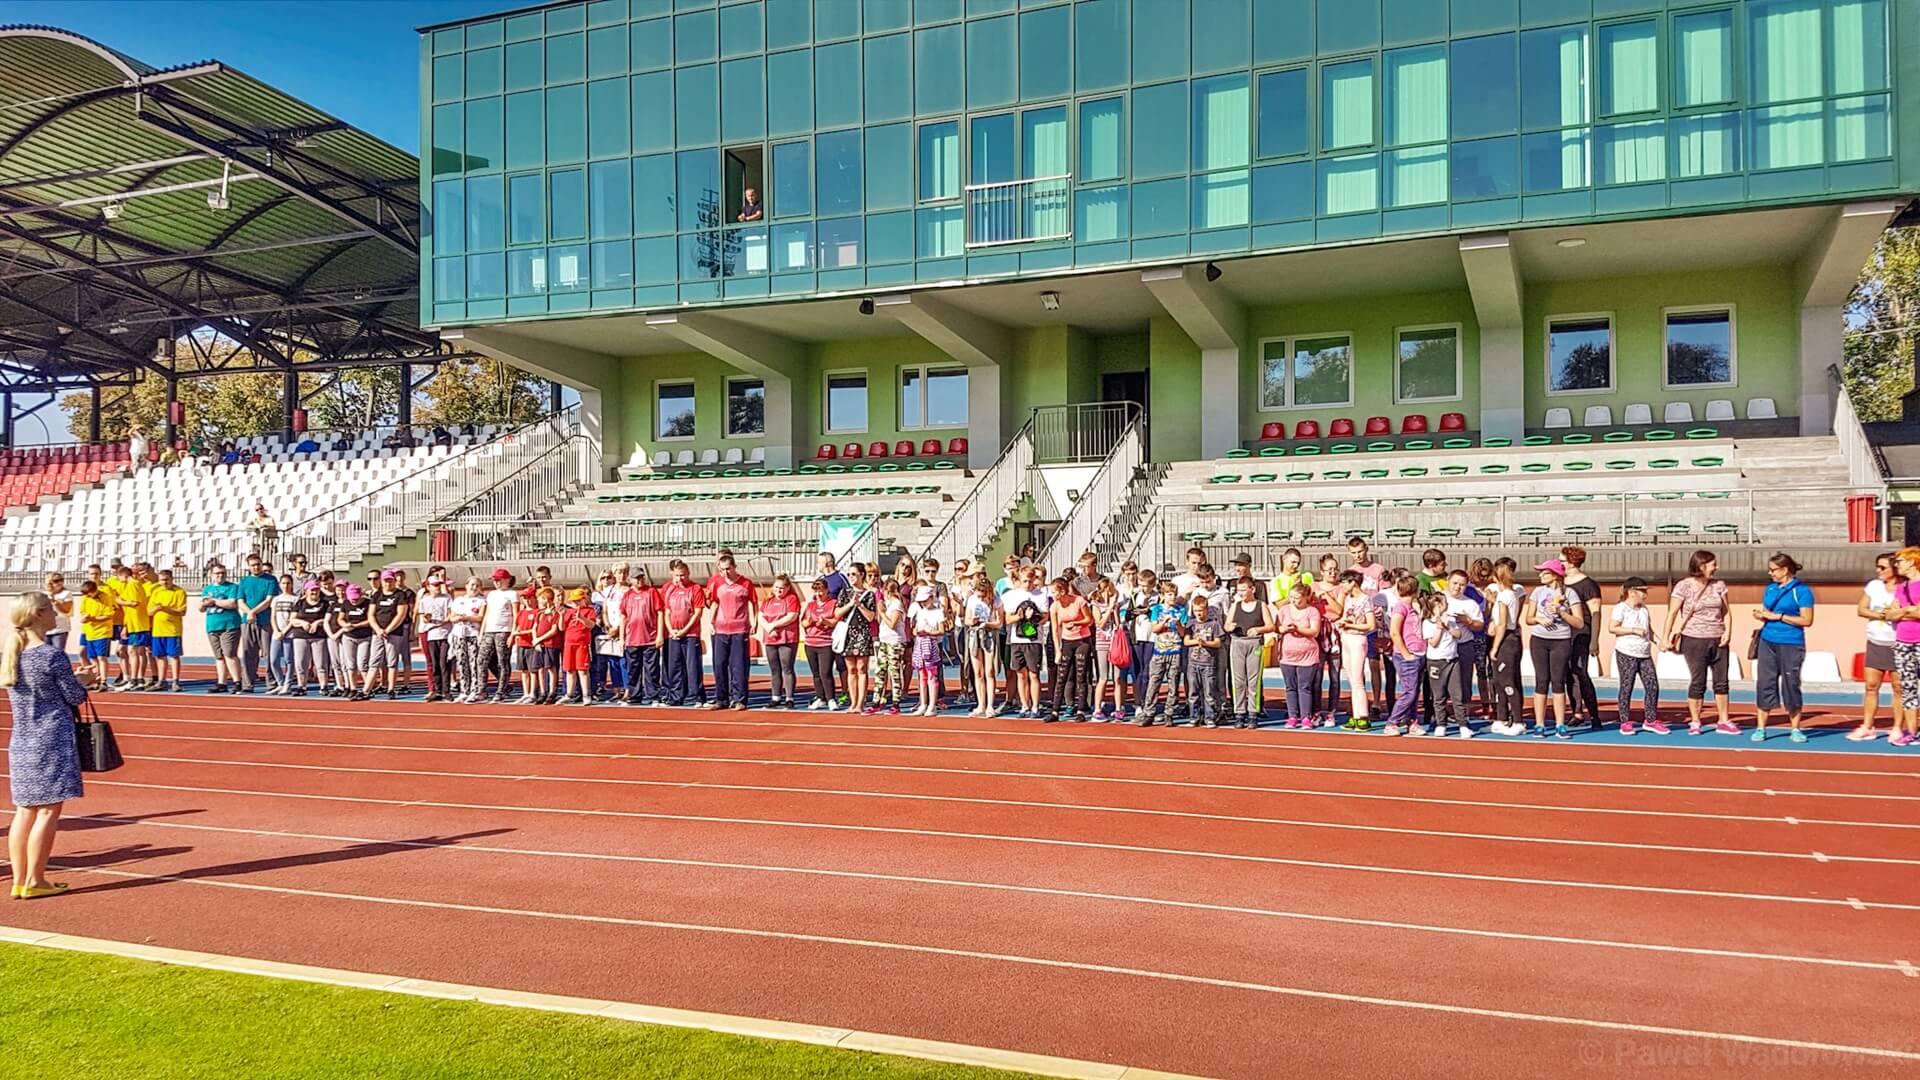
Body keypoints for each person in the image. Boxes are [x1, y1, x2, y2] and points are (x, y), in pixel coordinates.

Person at [5, 592, 89, 900]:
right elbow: (75, 697)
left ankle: (19, 879)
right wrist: (84, 679)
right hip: (51, 738)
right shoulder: (51, 656)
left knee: (24, 811)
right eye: (50, 610)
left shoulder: (12, 653)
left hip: (22, 739)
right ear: (39, 614)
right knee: (48, 812)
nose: (55, 614)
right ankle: (36, 879)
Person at [1664, 549, 1735, 736]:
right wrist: (1666, 636)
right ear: (1702, 565)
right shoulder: (1683, 586)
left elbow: (1726, 611)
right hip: (1694, 639)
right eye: (1713, 564)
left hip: (1718, 638)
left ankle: (1723, 720)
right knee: (1698, 681)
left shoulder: (1719, 585)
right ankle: (1695, 721)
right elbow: (1672, 613)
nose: (1716, 567)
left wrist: (1728, 632)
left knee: (1722, 682)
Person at [1751, 553, 1814, 743]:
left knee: (1791, 683)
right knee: (1765, 682)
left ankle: (1795, 728)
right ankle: (1761, 727)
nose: (1770, 573)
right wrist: (1763, 615)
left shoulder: (1802, 591)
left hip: (1791, 642)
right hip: (1768, 640)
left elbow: (1807, 620)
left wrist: (1779, 617)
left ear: (1785, 570)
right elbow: (1768, 613)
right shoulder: (1770, 589)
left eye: (1773, 570)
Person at [1522, 558, 1583, 739]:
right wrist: (1539, 619)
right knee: (1541, 681)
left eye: (1545, 572)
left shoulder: (1570, 593)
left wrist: (1562, 613)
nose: (1541, 575)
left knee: (1558, 682)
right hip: (1539, 640)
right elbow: (1528, 618)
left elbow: (1579, 622)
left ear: (1556, 575)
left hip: (1561, 641)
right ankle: (1539, 724)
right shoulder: (1538, 592)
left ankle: (1560, 724)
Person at [1854, 554, 1904, 742]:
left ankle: (1897, 727)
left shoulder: (1904, 588)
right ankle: (1867, 725)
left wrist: (1895, 614)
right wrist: (1881, 615)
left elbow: (1903, 612)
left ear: (1894, 569)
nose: (1879, 571)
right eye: (1878, 567)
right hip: (1875, 642)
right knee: (1871, 686)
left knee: (1899, 688)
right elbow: (1861, 609)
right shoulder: (1874, 586)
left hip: (1898, 643)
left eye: (1883, 567)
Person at [1611, 577, 1662, 735]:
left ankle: (1651, 720)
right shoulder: (1621, 608)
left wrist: (1660, 642)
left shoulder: (1644, 609)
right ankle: (1625, 721)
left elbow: (1649, 630)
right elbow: (1612, 627)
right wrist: (1633, 630)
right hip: (1626, 652)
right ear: (1632, 592)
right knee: (1627, 687)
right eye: (1643, 590)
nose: (1645, 594)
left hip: (1644, 653)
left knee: (1652, 685)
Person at [1560, 546, 1603, 728]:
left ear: (1571, 562)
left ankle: (1594, 714)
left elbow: (1596, 613)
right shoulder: (1560, 582)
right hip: (1562, 632)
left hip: (1581, 632)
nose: (1560, 564)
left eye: (1562, 561)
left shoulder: (1588, 584)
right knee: (1568, 674)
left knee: (1580, 672)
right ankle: (1577, 712)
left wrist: (1594, 640)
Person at [707, 553, 757, 711]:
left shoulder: (746, 583)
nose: (725, 573)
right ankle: (721, 698)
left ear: (734, 567)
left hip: (739, 630)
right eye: (722, 570)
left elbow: (752, 603)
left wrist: (753, 622)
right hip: (721, 630)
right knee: (719, 665)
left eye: (728, 569)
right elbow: (715, 603)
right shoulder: (718, 584)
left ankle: (739, 699)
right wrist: (711, 621)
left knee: (738, 666)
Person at [1485, 558, 1526, 737]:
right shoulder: (1510, 594)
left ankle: (1518, 720)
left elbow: (1502, 624)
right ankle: (1501, 718)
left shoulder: (1505, 596)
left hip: (1507, 641)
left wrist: (1495, 647)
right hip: (1510, 638)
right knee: (1500, 680)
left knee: (1508, 681)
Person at [1137, 580, 1187, 727]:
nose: (1172, 597)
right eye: (1169, 594)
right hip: (1159, 652)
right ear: (1163, 595)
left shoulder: (1181, 610)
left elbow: (1183, 632)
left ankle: (1169, 713)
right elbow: (1154, 629)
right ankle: (1149, 712)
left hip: (1175, 651)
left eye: (1174, 594)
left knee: (1173, 684)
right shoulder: (1157, 609)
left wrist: (1177, 624)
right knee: (1154, 682)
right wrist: (1163, 623)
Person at [1330, 569, 1374, 731]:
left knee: (1357, 680)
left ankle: (1363, 716)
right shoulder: (1348, 599)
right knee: (1351, 679)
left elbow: (1370, 625)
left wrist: (1351, 625)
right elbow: (1345, 616)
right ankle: (1355, 714)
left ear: (1352, 582)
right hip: (1346, 638)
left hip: (1357, 639)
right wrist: (1342, 623)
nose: (1342, 586)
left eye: (1344, 582)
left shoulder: (1366, 600)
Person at [1272, 583, 1320, 731]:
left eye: (1297, 598)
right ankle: (1293, 716)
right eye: (1291, 597)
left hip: (1307, 655)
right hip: (1287, 655)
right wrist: (1284, 629)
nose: (1293, 600)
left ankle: (1306, 717)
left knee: (1304, 687)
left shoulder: (1312, 611)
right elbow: (1276, 627)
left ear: (1305, 597)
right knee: (1290, 687)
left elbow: (1314, 631)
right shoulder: (1284, 610)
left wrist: (1298, 629)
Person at [1423, 589, 1469, 738]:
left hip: (1452, 660)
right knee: (1438, 695)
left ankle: (1463, 725)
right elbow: (1433, 643)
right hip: (1436, 662)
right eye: (1442, 604)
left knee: (1457, 694)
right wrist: (1439, 627)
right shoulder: (1427, 623)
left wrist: (1448, 626)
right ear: (1435, 607)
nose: (1446, 606)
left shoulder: (1451, 620)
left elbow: (1459, 634)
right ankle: (1441, 724)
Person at [1384, 574, 1426, 736]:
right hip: (1407, 655)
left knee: (1415, 691)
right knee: (1409, 692)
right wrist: (1406, 653)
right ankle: (1392, 722)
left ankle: (1412, 721)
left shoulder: (1414, 607)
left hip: (1419, 653)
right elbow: (1395, 632)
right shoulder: (1400, 608)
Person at [1887, 548, 1920, 748]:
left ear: (1912, 561)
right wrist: (1908, 610)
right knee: (1908, 687)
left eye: (1900, 560)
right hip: (1903, 641)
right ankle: (1912, 732)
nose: (1896, 564)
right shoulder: (1901, 587)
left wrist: (1903, 611)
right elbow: (1890, 615)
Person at [661, 560, 706, 708]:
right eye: (677, 575)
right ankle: (676, 696)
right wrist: (671, 629)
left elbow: (697, 613)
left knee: (692, 666)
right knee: (674, 667)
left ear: (688, 574)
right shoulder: (668, 589)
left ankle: (697, 696)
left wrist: (684, 630)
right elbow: (667, 612)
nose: (680, 579)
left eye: (683, 575)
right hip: (673, 634)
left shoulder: (695, 588)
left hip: (691, 634)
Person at [1002, 571, 1046, 718]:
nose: (1028, 584)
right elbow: (1008, 619)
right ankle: (1024, 705)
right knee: (1021, 674)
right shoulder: (1012, 596)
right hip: (1017, 640)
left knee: (1034, 674)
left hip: (1034, 641)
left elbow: (1045, 617)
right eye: (1025, 581)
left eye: (1030, 580)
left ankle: (1035, 706)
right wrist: (1019, 617)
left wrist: (1033, 617)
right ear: (1020, 580)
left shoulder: (1041, 595)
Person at [620, 568, 665, 707]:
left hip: (650, 638)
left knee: (652, 670)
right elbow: (623, 616)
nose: (639, 580)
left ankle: (654, 696)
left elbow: (660, 613)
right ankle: (634, 696)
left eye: (641, 577)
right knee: (633, 669)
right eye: (636, 578)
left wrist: (660, 635)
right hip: (632, 639)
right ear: (630, 580)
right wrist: (622, 637)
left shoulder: (651, 592)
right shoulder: (627, 595)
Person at [367, 571, 412, 701]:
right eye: (385, 580)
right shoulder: (377, 595)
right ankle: (367, 689)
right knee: (374, 661)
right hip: (378, 632)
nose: (388, 583)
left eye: (390, 580)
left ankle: (391, 689)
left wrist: (388, 629)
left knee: (392, 661)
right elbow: (371, 614)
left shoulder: (400, 595)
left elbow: (401, 614)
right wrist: (378, 629)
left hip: (394, 633)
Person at [199, 563, 244, 692]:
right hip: (212, 625)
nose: (220, 576)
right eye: (217, 573)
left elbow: (231, 603)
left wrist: (213, 601)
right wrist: (203, 605)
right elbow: (201, 607)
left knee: (229, 653)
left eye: (222, 573)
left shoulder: (232, 587)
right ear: (212, 575)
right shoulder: (207, 589)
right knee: (219, 656)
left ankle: (237, 681)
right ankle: (221, 682)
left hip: (229, 625)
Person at [237, 553, 278, 692]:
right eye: (253, 565)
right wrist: (249, 613)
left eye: (258, 564)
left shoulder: (271, 580)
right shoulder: (244, 581)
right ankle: (248, 684)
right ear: (248, 567)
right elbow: (240, 601)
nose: (256, 567)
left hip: (265, 621)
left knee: (268, 653)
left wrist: (253, 612)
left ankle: (272, 683)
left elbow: (269, 600)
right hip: (247, 622)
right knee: (249, 652)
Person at [760, 575, 801, 709]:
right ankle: (775, 696)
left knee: (787, 668)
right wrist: (768, 628)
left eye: (782, 588)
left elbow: (791, 616)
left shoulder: (792, 599)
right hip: (771, 638)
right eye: (776, 587)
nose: (779, 590)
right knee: (774, 669)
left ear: (788, 588)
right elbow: (760, 616)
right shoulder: (768, 600)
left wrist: (774, 625)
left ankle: (789, 698)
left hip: (787, 638)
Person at [1184, 593, 1224, 728]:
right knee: (1193, 691)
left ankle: (1210, 717)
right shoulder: (1191, 624)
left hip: (1208, 663)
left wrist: (1206, 643)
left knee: (1209, 692)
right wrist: (1196, 641)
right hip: (1193, 662)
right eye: (1196, 611)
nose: (1198, 613)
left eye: (1201, 610)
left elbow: (1218, 643)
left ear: (1206, 610)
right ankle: (1194, 716)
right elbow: (1186, 641)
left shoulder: (1214, 624)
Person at [285, 580, 332, 697]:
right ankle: (302, 686)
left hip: (319, 636)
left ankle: (324, 686)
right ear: (306, 591)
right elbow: (292, 620)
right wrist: (303, 623)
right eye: (312, 590)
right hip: (301, 636)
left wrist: (317, 622)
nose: (314, 592)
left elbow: (329, 619)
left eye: (316, 589)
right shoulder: (300, 604)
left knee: (321, 663)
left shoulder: (325, 604)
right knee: (301, 662)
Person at [907, 584, 947, 716]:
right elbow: (914, 629)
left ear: (931, 598)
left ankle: (932, 704)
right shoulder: (920, 611)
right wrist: (917, 632)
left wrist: (931, 632)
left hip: (931, 645)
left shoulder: (938, 612)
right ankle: (923, 703)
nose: (923, 604)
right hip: (920, 644)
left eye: (925, 600)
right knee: (922, 675)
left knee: (932, 675)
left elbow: (941, 631)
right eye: (921, 601)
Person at [802, 576, 841, 711]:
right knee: (816, 673)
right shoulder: (810, 605)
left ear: (827, 590)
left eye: (821, 591)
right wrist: (810, 621)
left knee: (825, 672)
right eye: (817, 591)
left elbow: (835, 621)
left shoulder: (833, 603)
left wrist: (824, 621)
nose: (819, 594)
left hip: (826, 642)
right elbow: (804, 623)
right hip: (810, 642)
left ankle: (831, 698)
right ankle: (820, 697)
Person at [1089, 578, 1125, 721]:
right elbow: (1100, 623)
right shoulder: (1095, 605)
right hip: (1102, 642)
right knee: (1103, 677)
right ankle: (1097, 708)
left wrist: (1114, 609)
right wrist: (1109, 609)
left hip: (1115, 642)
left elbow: (1118, 624)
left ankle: (1118, 708)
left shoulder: (1114, 604)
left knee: (1117, 677)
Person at [146, 568, 187, 693]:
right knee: (159, 656)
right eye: (162, 580)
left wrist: (165, 609)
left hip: (173, 630)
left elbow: (182, 611)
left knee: (174, 656)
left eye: (166, 580)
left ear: (171, 579)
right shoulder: (156, 592)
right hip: (158, 630)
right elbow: (149, 611)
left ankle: (176, 681)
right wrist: (157, 609)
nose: (164, 583)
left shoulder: (179, 592)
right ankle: (162, 680)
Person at [481, 569, 518, 703]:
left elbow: (516, 614)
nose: (496, 582)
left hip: (504, 630)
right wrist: (482, 632)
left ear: (507, 580)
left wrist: (512, 633)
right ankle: (481, 689)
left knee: (502, 661)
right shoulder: (491, 594)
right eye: (495, 580)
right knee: (482, 660)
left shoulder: (512, 594)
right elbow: (487, 614)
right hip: (489, 630)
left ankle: (501, 690)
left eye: (499, 580)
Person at [449, 578, 488, 704]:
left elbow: (481, 617)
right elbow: (451, 616)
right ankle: (464, 691)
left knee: (474, 663)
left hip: (473, 635)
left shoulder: (482, 601)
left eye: (477, 585)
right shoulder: (458, 600)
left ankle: (475, 690)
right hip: (459, 635)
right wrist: (457, 618)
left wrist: (466, 617)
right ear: (466, 586)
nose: (474, 587)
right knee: (461, 663)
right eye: (472, 585)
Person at [872, 579, 907, 714]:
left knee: (894, 671)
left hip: (895, 641)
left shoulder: (897, 604)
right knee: (880, 670)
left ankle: (896, 702)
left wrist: (881, 612)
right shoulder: (887, 604)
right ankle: (876, 700)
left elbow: (892, 624)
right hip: (884, 640)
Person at [417, 575, 453, 703]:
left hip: (445, 634)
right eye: (435, 585)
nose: (437, 587)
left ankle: (446, 691)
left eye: (439, 585)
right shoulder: (424, 600)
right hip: (432, 635)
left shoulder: (446, 598)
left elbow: (450, 615)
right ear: (428, 587)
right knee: (435, 664)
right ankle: (437, 690)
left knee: (444, 663)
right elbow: (423, 618)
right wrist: (427, 618)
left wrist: (441, 622)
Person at [559, 588, 597, 705]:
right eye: (574, 601)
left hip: (582, 643)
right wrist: (561, 615)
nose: (575, 603)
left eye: (578, 600)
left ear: (583, 599)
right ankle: (569, 694)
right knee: (570, 670)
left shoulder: (589, 611)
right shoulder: (569, 612)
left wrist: (581, 618)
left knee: (582, 670)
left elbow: (591, 625)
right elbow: (562, 628)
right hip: (569, 643)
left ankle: (586, 694)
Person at [336, 583, 374, 699]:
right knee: (350, 664)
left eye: (356, 598)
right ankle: (353, 688)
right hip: (349, 637)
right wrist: (345, 625)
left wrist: (356, 625)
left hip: (364, 637)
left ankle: (368, 688)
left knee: (362, 663)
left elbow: (370, 620)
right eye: (352, 598)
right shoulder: (346, 603)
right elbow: (340, 618)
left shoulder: (367, 603)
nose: (354, 601)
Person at [76, 580, 114, 688]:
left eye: (89, 593)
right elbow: (83, 612)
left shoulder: (105, 597)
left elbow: (108, 615)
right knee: (92, 657)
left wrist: (94, 618)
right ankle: (97, 677)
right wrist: (85, 618)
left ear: (94, 590)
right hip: (89, 632)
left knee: (101, 656)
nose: (87, 596)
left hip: (102, 631)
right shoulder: (85, 599)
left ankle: (104, 681)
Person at [268, 575, 298, 693]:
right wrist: (276, 630)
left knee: (289, 659)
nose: (286, 586)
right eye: (283, 583)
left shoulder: (295, 599)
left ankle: (288, 683)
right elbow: (273, 616)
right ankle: (280, 682)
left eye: (288, 583)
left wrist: (285, 631)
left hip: (289, 634)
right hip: (277, 634)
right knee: (273, 660)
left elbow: (293, 618)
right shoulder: (276, 599)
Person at [44, 573, 72, 657]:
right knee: (45, 655)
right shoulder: (44, 594)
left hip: (60, 629)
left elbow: (66, 610)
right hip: (45, 629)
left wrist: (55, 601)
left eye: (61, 580)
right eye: (56, 581)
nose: (60, 583)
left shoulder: (66, 593)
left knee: (58, 654)